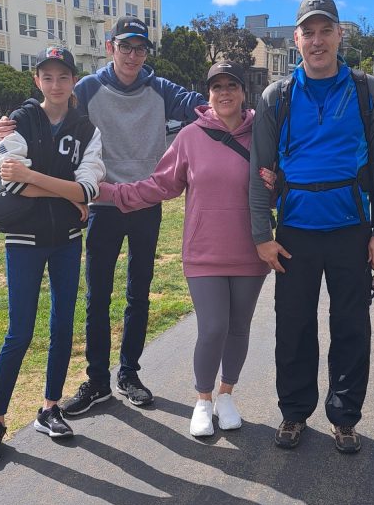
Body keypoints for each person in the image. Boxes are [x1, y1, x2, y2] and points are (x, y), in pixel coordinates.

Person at [0, 17, 205, 415]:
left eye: (140, 48)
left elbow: (204, 107)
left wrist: (241, 121)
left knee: (138, 294)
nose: (132, 55)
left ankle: (129, 373)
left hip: (145, 203)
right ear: (110, 48)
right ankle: (97, 380)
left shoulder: (161, 88)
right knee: (97, 297)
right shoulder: (88, 87)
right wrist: (7, 127)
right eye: (125, 47)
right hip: (101, 206)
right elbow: (47, 115)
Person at [249, 0, 374, 454]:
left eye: (325, 30)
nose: (317, 41)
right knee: (292, 326)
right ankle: (294, 412)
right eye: (308, 32)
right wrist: (261, 235)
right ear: (296, 40)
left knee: (351, 326)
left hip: (351, 229)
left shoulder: (367, 90)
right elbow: (260, 169)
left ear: (339, 34)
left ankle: (344, 416)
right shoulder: (278, 96)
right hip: (294, 233)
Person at [97, 61, 269, 437]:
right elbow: (159, 186)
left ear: (244, 92)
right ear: (207, 94)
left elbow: (280, 183)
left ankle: (226, 395)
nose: (224, 93)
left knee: (238, 328)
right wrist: (107, 192)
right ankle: (203, 399)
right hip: (203, 251)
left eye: (232, 85)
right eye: (216, 86)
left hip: (252, 251)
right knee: (213, 328)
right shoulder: (191, 136)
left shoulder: (263, 134)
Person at [0, 45, 105, 460]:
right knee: (20, 333)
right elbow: (10, 183)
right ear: (37, 80)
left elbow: (89, 189)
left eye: (63, 76)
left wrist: (39, 180)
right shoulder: (19, 122)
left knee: (62, 328)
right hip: (24, 242)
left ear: (74, 81)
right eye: (47, 76)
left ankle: (50, 409)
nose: (55, 84)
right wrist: (63, 193)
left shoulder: (88, 130)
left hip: (67, 240)